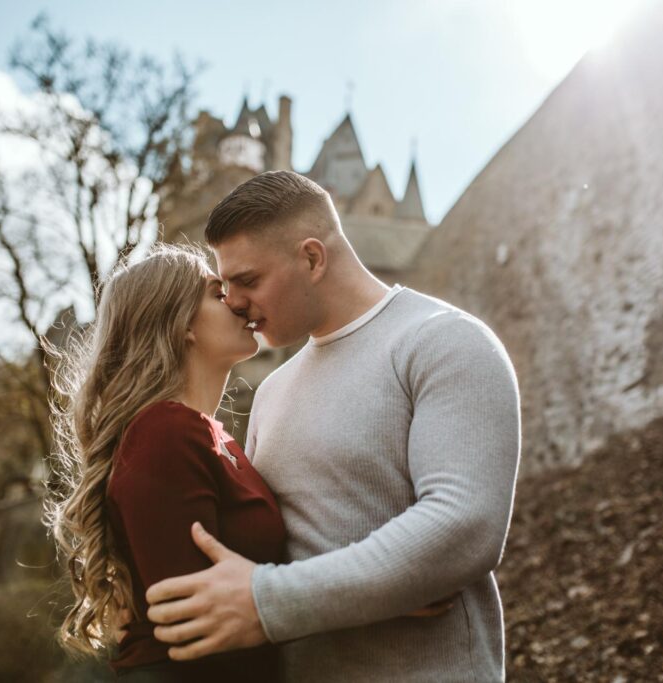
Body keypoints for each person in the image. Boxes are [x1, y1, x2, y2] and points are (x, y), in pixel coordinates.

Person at [144, 171, 521, 682]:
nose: (233, 302)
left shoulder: (444, 342)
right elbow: (266, 548)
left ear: (312, 258)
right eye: (225, 285)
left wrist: (271, 602)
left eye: (248, 280)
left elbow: (465, 526)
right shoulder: (273, 391)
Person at [46, 244, 286, 681]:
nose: (236, 301)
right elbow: (198, 621)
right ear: (181, 325)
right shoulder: (164, 431)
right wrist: (358, 603)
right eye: (217, 294)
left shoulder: (211, 436)